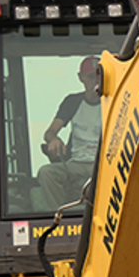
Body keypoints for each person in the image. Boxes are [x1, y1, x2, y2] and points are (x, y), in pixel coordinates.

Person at [38, 57, 102, 209]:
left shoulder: (114, 102)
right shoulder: (72, 102)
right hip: (76, 164)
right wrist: (54, 139)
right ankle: (60, 218)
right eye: (91, 76)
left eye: (100, 75)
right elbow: (50, 132)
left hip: (104, 164)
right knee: (46, 173)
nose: (96, 81)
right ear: (81, 78)